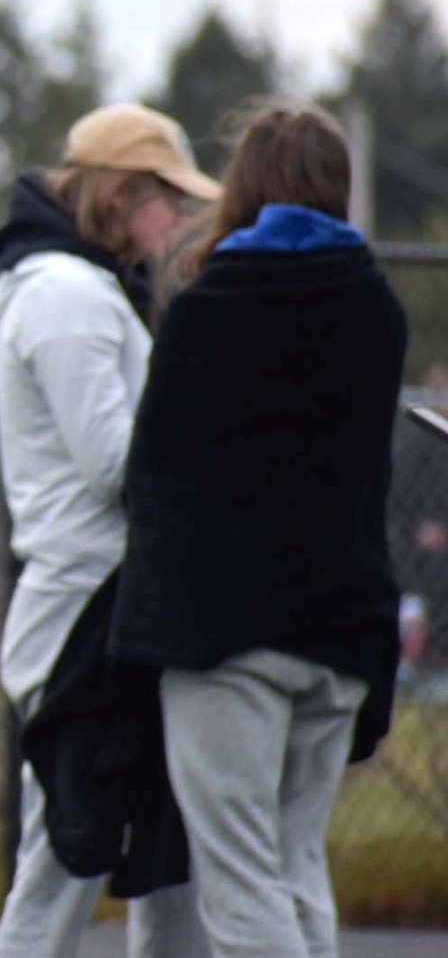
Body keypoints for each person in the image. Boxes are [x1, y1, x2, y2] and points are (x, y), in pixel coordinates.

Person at [112, 103, 405, 958]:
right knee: (294, 864)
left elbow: (152, 467)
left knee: (237, 882)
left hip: (224, 635)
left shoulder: (212, 304)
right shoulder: (377, 310)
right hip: (342, 628)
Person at [0, 103, 216, 958]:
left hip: (120, 610)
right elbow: (117, 462)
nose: (179, 221)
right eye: (166, 201)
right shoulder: (69, 298)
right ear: (118, 195)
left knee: (164, 855)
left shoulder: (91, 290)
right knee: (62, 861)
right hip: (85, 620)